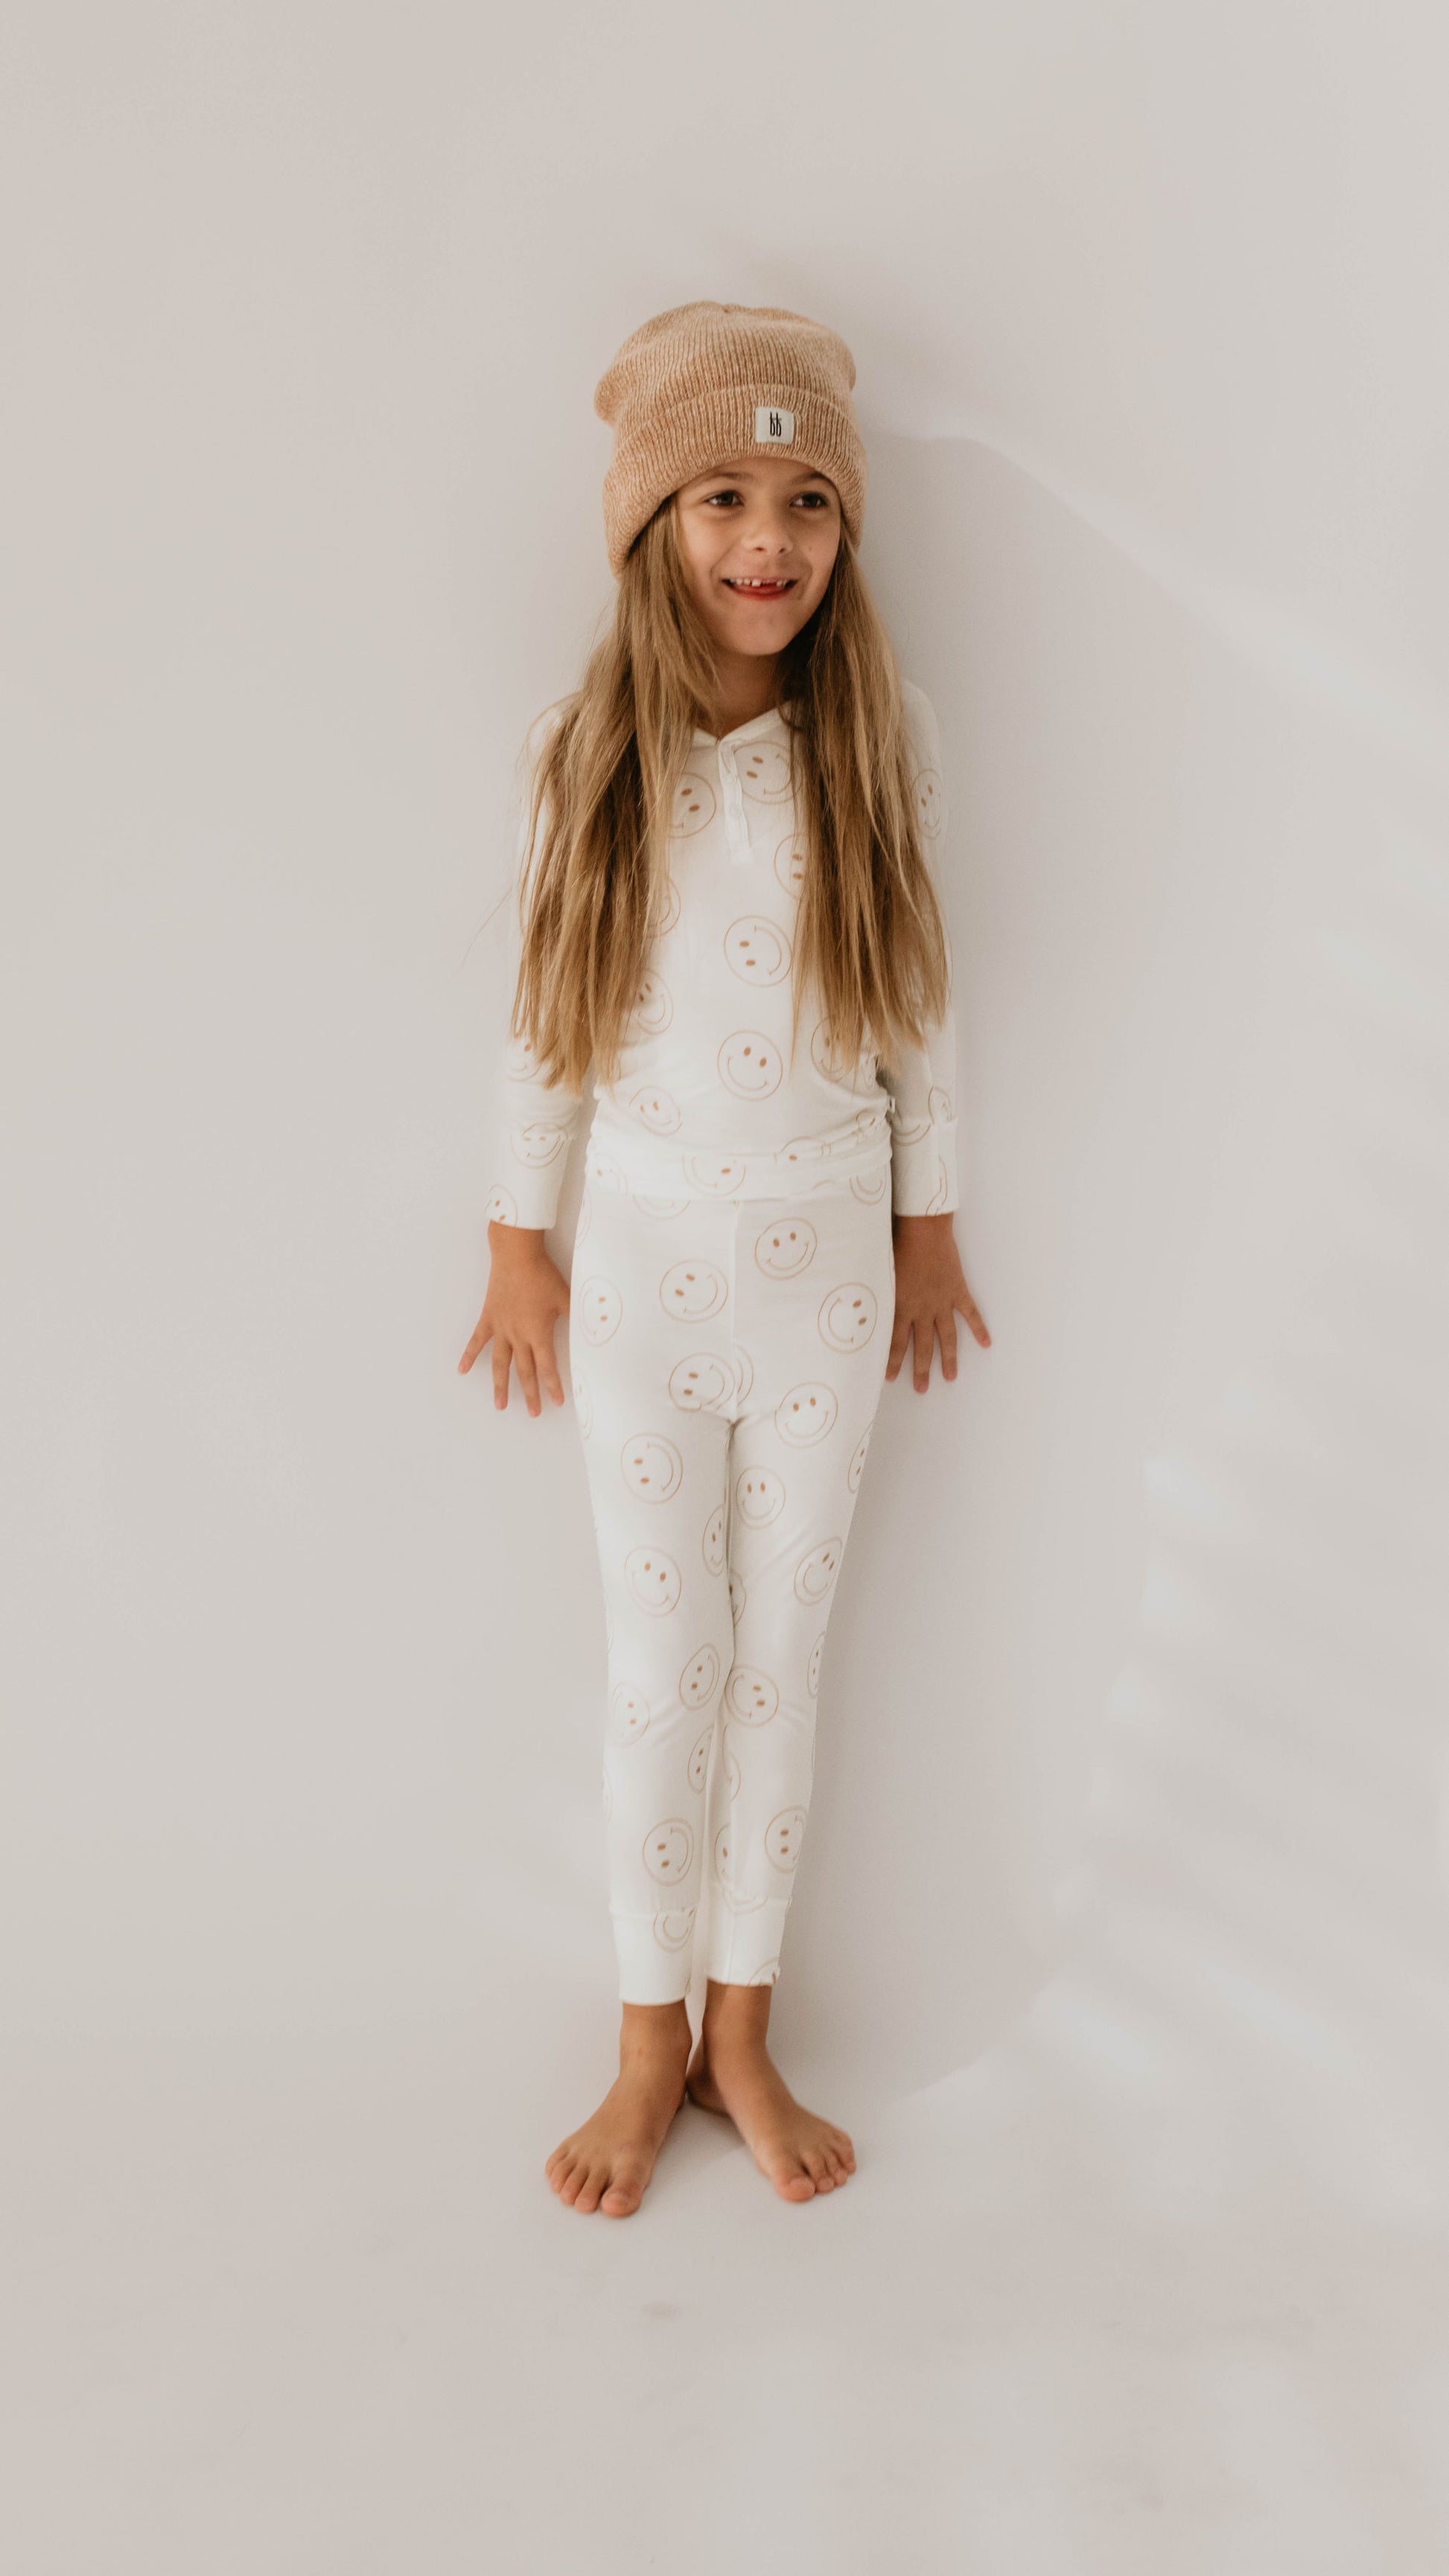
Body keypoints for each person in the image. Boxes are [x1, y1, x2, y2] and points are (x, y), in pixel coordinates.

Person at [459, 302, 990, 2217]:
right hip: (641, 1282)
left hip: (829, 1277)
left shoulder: (879, 740)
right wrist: (520, 1239)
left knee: (782, 1664)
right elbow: (544, 1014)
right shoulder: (580, 749)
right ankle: (643, 2038)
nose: (764, 539)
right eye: (719, 496)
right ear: (645, 523)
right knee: (660, 1661)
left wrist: (929, 1223)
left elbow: (924, 1006)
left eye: (802, 501)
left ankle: (743, 2029)